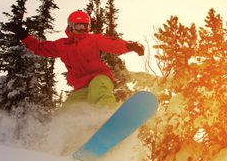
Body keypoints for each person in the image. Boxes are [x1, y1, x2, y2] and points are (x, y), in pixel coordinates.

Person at [16, 9, 144, 109]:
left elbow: (111, 44)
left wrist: (129, 46)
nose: (82, 30)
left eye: (85, 27)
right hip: (81, 86)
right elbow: (40, 48)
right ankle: (71, 140)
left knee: (99, 90)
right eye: (79, 26)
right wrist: (24, 36)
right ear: (71, 26)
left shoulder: (93, 39)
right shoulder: (62, 45)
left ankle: (106, 115)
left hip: (99, 77)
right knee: (68, 111)